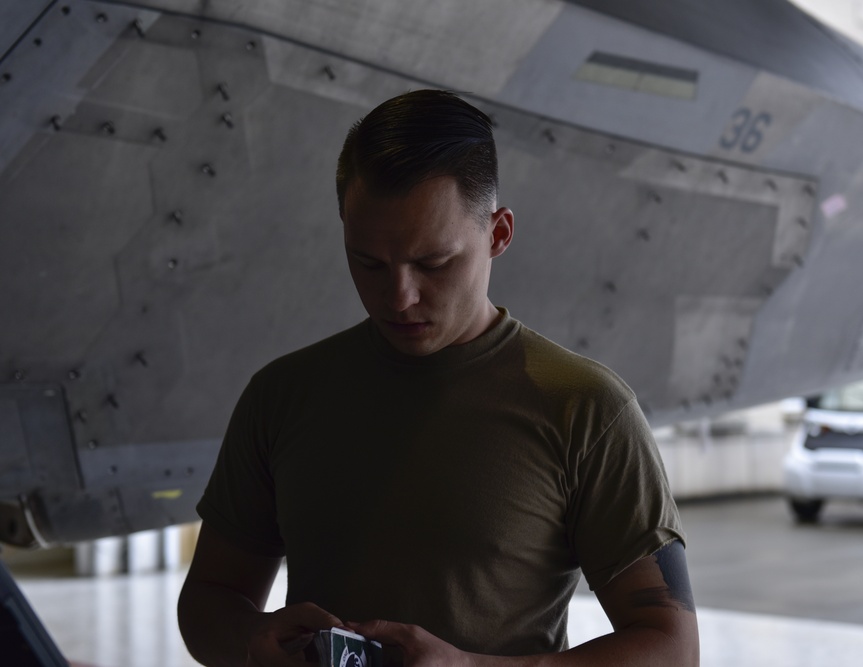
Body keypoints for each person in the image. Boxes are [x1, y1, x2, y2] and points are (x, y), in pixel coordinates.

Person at [177, 89, 699, 667]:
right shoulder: (281, 397)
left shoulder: (585, 410)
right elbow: (211, 599)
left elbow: (671, 648)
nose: (399, 297)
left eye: (433, 263)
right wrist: (253, 643)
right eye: (368, 262)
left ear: (498, 235)